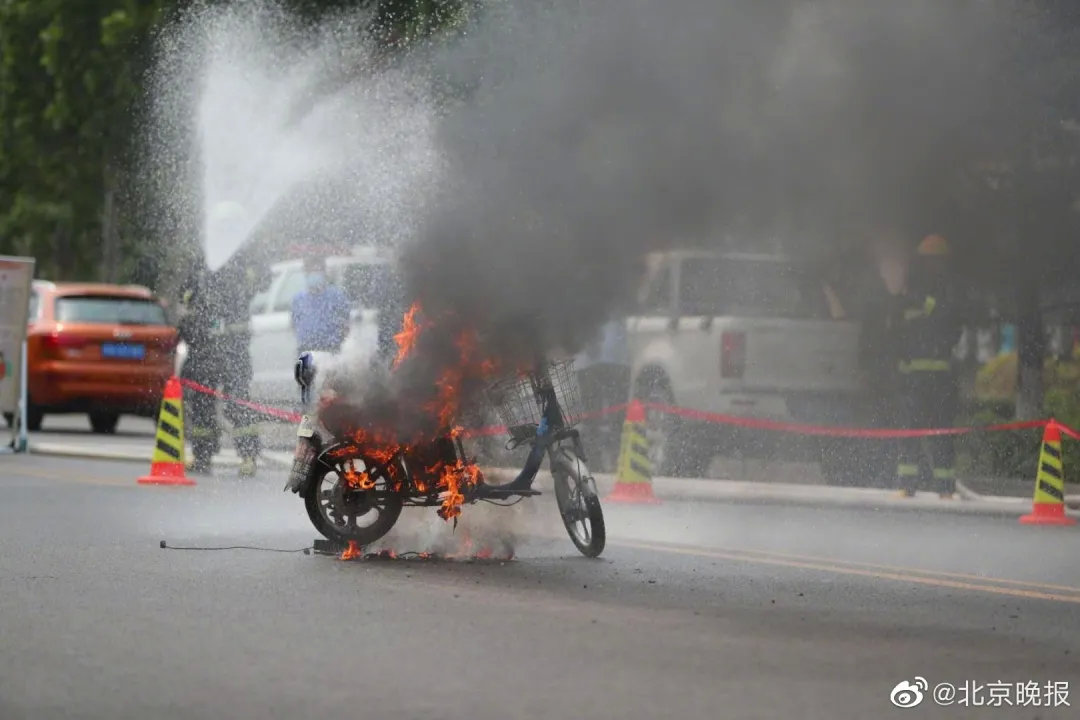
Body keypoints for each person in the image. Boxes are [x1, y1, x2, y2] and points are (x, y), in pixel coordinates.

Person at [179, 253, 269, 477]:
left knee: (238, 404)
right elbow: (188, 315)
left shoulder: (236, 275)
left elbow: (261, 282)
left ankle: (248, 457)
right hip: (205, 355)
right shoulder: (199, 276)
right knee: (202, 408)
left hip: (233, 355)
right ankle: (202, 457)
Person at [892, 233, 963, 498]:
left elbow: (951, 321)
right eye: (927, 261)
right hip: (913, 377)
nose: (931, 266)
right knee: (909, 430)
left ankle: (944, 487)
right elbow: (900, 333)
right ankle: (906, 484)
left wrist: (926, 305)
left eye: (935, 261)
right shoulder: (910, 294)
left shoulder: (949, 292)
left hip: (940, 377)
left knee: (941, 431)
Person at [290, 257, 352, 355]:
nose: (314, 274)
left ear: (324, 272)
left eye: (317, 270)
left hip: (330, 349)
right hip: (305, 350)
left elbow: (345, 323)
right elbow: (294, 323)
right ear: (306, 273)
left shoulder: (336, 297)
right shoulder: (298, 300)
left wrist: (336, 343)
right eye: (311, 271)